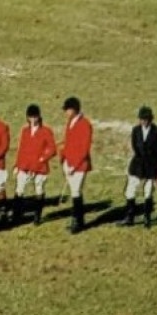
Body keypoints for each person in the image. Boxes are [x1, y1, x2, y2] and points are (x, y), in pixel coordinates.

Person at [121, 105, 157, 228]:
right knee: (130, 189)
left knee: (148, 191)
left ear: (150, 119)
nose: (144, 121)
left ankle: (147, 218)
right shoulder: (136, 130)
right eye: (142, 119)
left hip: (152, 165)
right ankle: (130, 216)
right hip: (138, 164)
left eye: (146, 119)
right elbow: (135, 146)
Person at [12, 104, 56, 225]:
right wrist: (17, 164)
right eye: (30, 117)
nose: (32, 119)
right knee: (19, 190)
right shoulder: (25, 131)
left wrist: (43, 158)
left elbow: (52, 149)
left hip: (39, 167)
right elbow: (22, 148)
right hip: (25, 165)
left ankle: (37, 216)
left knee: (39, 190)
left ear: (39, 117)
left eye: (35, 117)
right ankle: (17, 215)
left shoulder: (46, 131)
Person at [59, 96, 93, 234]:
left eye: (67, 110)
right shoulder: (70, 122)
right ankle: (79, 220)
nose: (66, 112)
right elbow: (67, 142)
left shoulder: (85, 124)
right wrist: (64, 159)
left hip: (79, 165)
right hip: (69, 162)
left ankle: (77, 221)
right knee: (75, 191)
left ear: (74, 110)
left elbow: (84, 148)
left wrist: (75, 165)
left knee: (76, 191)